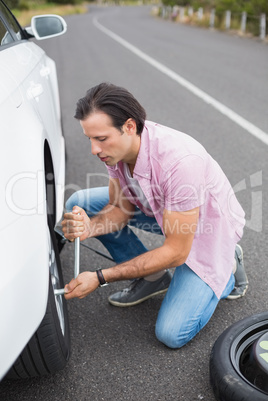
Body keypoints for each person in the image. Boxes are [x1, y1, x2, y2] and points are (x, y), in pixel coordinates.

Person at [61, 82, 248, 349]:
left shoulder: (180, 162)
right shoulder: (119, 151)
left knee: (172, 333)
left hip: (203, 229)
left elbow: (176, 252)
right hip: (161, 208)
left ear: (128, 126)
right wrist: (89, 227)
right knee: (80, 202)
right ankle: (153, 277)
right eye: (89, 139)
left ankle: (227, 266)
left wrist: (101, 276)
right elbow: (119, 209)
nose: (94, 149)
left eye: (101, 139)